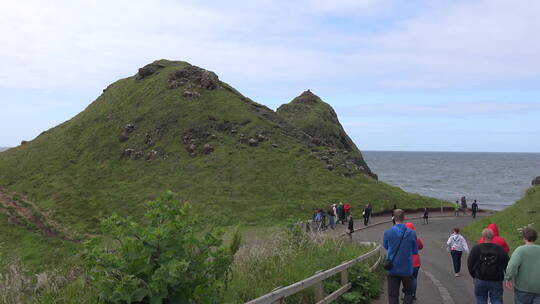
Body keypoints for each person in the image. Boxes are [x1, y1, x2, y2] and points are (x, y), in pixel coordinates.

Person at [383, 209, 418, 304]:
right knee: (408, 293)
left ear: (393, 218)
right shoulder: (412, 233)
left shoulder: (388, 232)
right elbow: (415, 251)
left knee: (393, 295)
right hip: (407, 268)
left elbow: (386, 246)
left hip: (392, 268)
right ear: (404, 218)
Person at [467, 228, 509, 304]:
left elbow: (470, 263)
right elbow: (507, 263)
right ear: (493, 237)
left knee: (481, 300)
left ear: (483, 237)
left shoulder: (476, 248)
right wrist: (507, 276)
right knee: (497, 300)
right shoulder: (500, 249)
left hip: (480, 278)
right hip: (496, 279)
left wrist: (474, 275)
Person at [505, 227, 540, 304]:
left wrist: (509, 277)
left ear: (524, 238)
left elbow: (512, 266)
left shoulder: (520, 250)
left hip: (523, 288)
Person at [405, 222, 423, 301]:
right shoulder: (416, 239)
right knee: (414, 279)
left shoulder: (404, 239)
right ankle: (413, 294)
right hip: (416, 262)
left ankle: (407, 295)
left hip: (407, 262)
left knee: (407, 279)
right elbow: (421, 247)